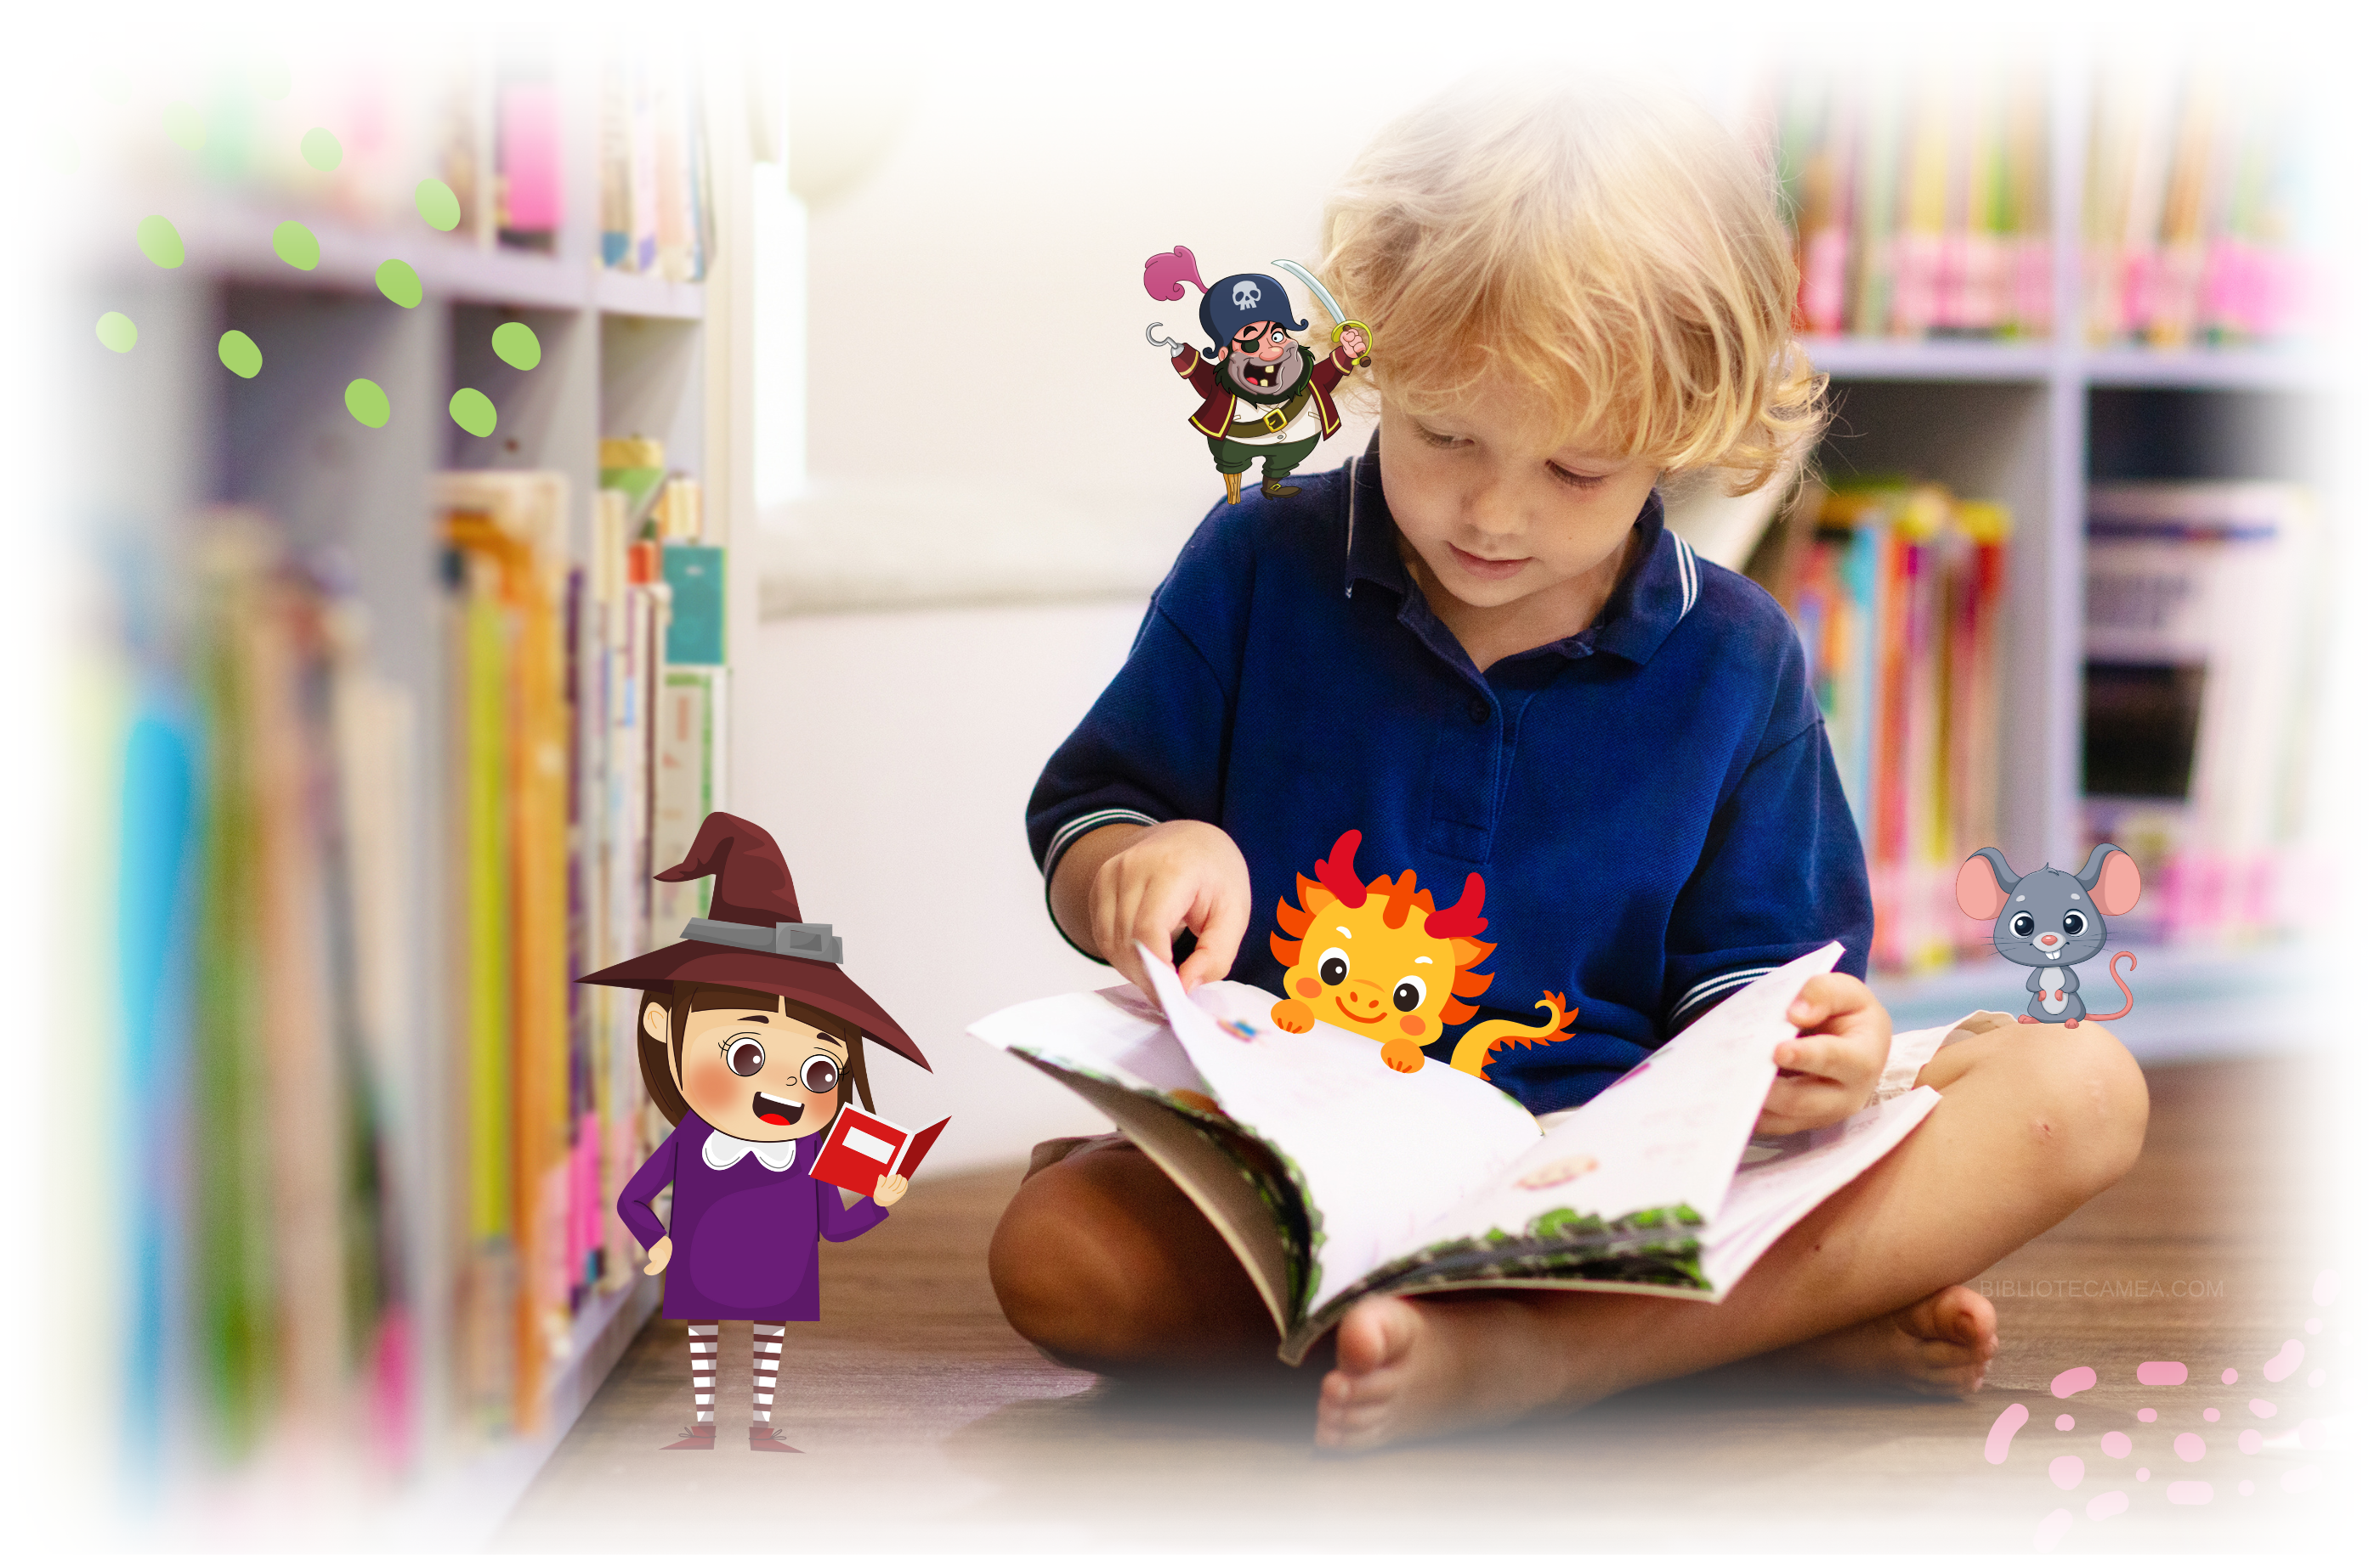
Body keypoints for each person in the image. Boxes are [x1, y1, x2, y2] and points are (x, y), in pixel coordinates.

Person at [990, 76, 2148, 1451]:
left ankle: (1548, 1349)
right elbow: (1090, 811)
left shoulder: (1740, 657)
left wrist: (1813, 1051)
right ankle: (1732, 1333)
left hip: (1621, 1182)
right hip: (1315, 1168)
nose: (1493, 510)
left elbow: (1760, 984)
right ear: (1377, 358)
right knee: (1056, 1254)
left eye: (1578, 470)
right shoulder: (1256, 567)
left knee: (2080, 1090)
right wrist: (1135, 860)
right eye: (1446, 435)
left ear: (1686, 429)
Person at [586, 811, 933, 1452]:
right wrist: (656, 1241)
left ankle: (762, 1424)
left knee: (769, 1338)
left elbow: (833, 1224)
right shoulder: (692, 1139)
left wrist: (879, 1206)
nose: (782, 1088)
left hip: (779, 1271)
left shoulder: (809, 1150)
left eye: (820, 1067)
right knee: (703, 1335)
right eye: (745, 1053)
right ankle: (703, 1422)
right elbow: (632, 1197)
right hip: (701, 1267)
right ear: (665, 1025)